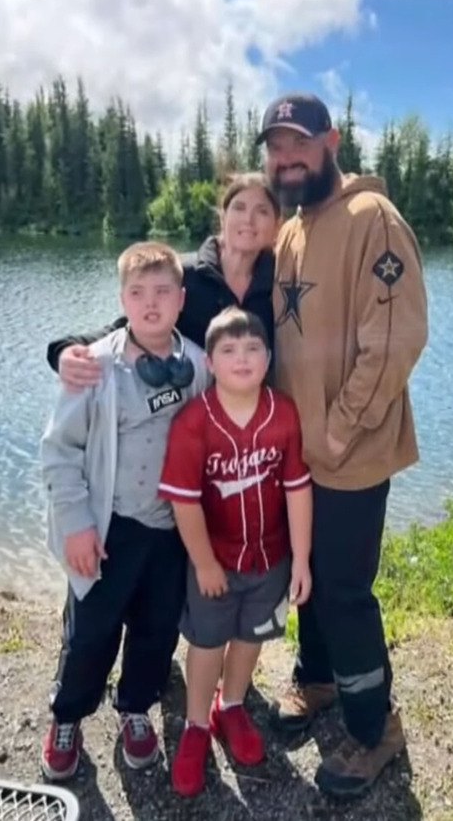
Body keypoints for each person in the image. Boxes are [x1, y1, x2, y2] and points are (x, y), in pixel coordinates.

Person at [256, 92, 429, 798]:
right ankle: (318, 679)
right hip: (301, 453)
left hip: (350, 451)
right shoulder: (294, 227)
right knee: (308, 572)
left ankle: (372, 727)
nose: (286, 158)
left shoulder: (371, 219)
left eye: (298, 143)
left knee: (345, 590)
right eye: (275, 147)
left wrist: (337, 426)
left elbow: (395, 341)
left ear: (331, 141)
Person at [39, 241, 210, 781]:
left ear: (182, 300)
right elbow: (59, 450)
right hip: (109, 529)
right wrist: (76, 526)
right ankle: (68, 716)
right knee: (90, 631)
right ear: (122, 299)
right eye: (138, 293)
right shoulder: (95, 367)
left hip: (171, 533)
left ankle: (135, 709)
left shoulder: (201, 367)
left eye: (163, 292)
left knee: (158, 630)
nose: (151, 304)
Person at [157, 307, 313, 797]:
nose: (241, 358)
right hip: (215, 562)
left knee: (250, 639)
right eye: (228, 350)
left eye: (252, 349)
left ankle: (233, 706)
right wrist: (203, 562)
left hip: (271, 560)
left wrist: (302, 560)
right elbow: (183, 502)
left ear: (269, 357)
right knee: (206, 645)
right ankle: (197, 725)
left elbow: (297, 490)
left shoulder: (283, 412)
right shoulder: (194, 421)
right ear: (211, 361)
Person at [45, 173, 280, 386]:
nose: (248, 220)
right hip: (188, 416)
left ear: (276, 224)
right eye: (239, 208)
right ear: (223, 216)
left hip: (253, 419)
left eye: (262, 211)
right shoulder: (185, 273)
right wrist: (65, 350)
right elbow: (130, 327)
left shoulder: (282, 283)